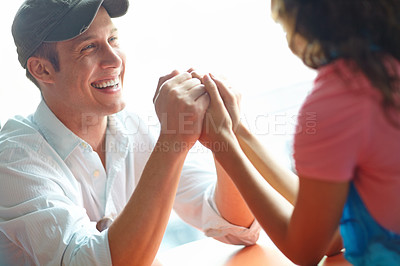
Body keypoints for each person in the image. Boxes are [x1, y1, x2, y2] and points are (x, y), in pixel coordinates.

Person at [0, 0, 260, 265]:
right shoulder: (14, 159)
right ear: (41, 69)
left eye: (113, 39)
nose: (114, 60)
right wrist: (173, 141)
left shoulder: (133, 128)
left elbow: (238, 228)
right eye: (89, 47)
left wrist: (224, 137)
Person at [196, 0, 400, 265]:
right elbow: (332, 228)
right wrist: (238, 133)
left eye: (283, 27)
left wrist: (222, 143)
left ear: (304, 22)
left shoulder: (336, 100)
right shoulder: (383, 69)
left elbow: (306, 250)